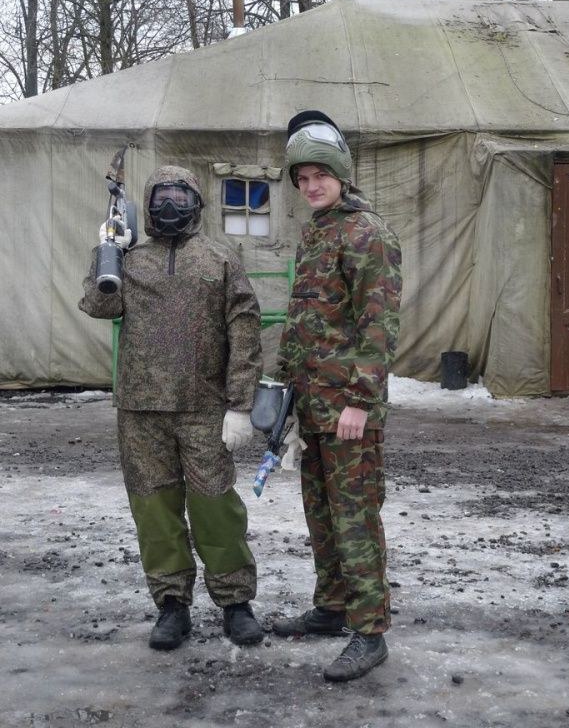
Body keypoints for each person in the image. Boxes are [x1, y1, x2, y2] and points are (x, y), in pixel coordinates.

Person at [79, 165, 264, 651]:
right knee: (154, 510)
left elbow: (245, 333)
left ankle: (235, 603)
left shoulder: (220, 259)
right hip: (141, 410)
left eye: (180, 198)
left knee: (216, 507)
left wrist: (240, 404)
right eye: (160, 197)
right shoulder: (131, 260)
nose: (169, 206)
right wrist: (108, 251)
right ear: (146, 203)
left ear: (196, 203)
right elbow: (99, 306)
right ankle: (172, 605)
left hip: (204, 408)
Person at [273, 112, 402, 682]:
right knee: (321, 514)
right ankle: (331, 607)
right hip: (311, 406)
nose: (310, 186)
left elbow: (380, 326)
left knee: (355, 519)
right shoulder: (317, 232)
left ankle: (370, 632)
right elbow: (305, 318)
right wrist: (282, 387)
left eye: (319, 175)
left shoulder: (366, 233)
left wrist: (360, 401)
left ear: (341, 174)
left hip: (349, 410)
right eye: (302, 179)